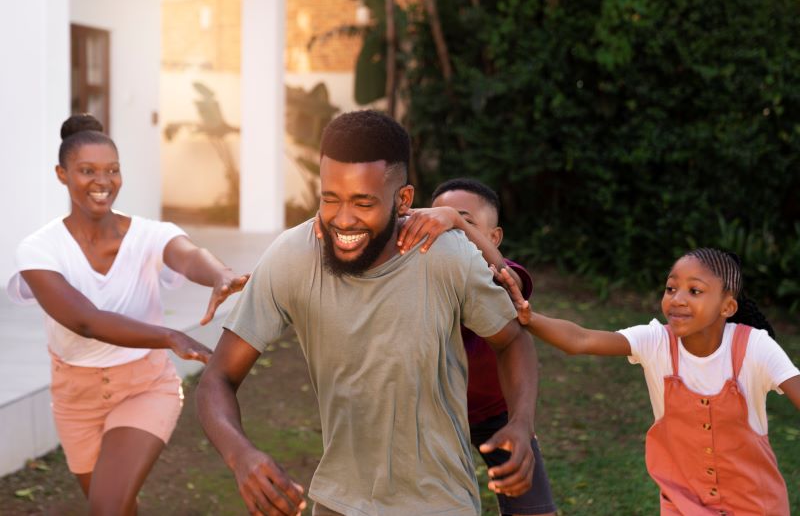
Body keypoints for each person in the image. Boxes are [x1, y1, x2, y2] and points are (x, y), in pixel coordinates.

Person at [196, 110, 539, 516]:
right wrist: (241, 456)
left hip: (440, 503)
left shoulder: (446, 257)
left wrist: (520, 423)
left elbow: (513, 340)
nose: (343, 219)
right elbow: (217, 377)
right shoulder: (292, 258)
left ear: (403, 200)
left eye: (362, 202)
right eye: (330, 198)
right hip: (338, 503)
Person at [6, 114, 249, 514]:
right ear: (62, 175)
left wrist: (220, 275)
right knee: (118, 505)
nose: (103, 182)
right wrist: (169, 336)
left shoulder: (149, 234)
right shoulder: (39, 249)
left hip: (144, 385)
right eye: (87, 171)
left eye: (112, 171)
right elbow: (84, 319)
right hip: (74, 397)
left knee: (106, 506)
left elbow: (188, 256)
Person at [494, 247, 800, 515]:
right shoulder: (656, 341)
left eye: (695, 291)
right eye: (670, 288)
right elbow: (581, 339)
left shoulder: (755, 348)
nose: (677, 299)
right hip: (683, 502)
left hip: (756, 505)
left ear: (727, 307)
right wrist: (530, 317)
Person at [393, 177, 557, 516]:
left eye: (464, 222)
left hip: (494, 411)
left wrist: (521, 422)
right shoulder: (413, 270)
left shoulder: (502, 271)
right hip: (428, 410)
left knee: (534, 508)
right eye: (438, 219)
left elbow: (506, 282)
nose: (448, 230)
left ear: (493, 237)